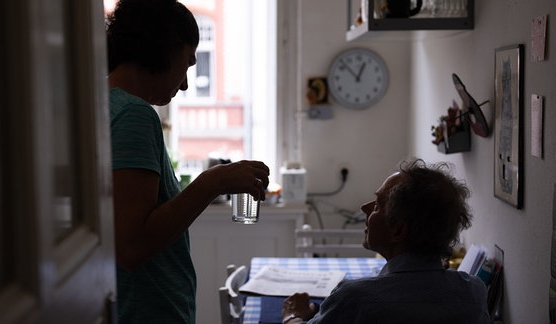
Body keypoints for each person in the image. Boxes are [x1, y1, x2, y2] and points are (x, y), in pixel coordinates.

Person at [106, 1, 270, 323]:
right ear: (165, 49)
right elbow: (132, 246)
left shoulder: (104, 105)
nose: (184, 84)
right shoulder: (133, 115)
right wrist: (213, 182)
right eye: (188, 63)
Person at [282, 159, 491, 324]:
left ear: (398, 231)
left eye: (377, 206)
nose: (365, 207)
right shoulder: (474, 293)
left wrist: (292, 316)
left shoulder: (354, 299)